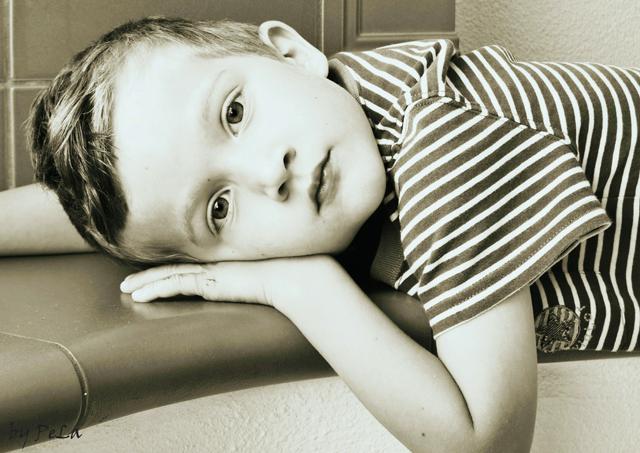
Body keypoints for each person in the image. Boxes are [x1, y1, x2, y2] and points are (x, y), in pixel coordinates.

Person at [1, 15, 638, 451]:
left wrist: (302, 288)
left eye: (235, 113)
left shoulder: (444, 149)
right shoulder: (320, 103)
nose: (267, 173)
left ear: (291, 52)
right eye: (219, 208)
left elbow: (486, 441)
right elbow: (142, 199)